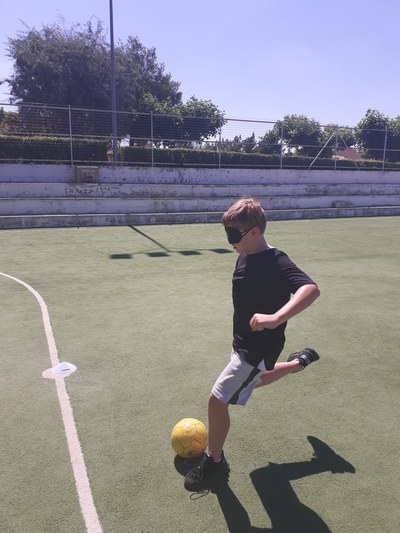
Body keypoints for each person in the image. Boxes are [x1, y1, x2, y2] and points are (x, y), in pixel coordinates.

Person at [184, 197, 321, 492]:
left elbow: (310, 289)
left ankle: (215, 462)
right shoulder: (244, 255)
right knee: (254, 382)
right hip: (243, 341)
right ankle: (300, 362)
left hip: (257, 348)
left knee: (217, 400)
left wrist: (276, 317)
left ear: (255, 232)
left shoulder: (276, 261)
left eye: (234, 235)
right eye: (228, 234)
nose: (230, 241)